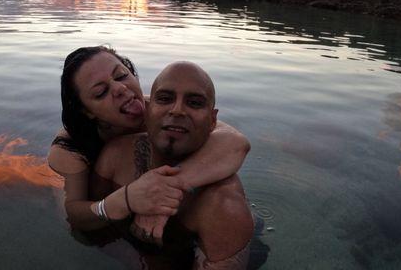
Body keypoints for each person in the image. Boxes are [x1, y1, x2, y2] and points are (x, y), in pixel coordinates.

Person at [48, 46, 250, 234]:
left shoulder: (161, 109)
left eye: (121, 75)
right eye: (101, 92)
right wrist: (126, 200)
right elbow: (73, 215)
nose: (119, 88)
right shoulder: (69, 148)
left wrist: (163, 189)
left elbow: (235, 143)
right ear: (86, 111)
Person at [92, 61, 254, 269]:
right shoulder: (116, 156)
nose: (177, 110)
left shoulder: (223, 207)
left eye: (194, 103)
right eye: (165, 99)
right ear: (148, 110)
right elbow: (91, 226)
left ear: (213, 121)